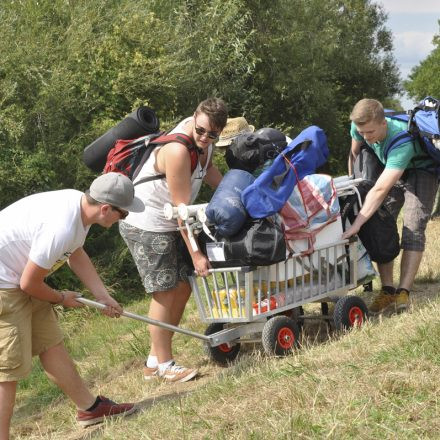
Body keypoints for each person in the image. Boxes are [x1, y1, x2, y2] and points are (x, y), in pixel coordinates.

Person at [0, 172, 144, 438]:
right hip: (5, 286)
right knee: (7, 371)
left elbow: (75, 252)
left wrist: (102, 295)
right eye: (122, 214)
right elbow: (28, 283)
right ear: (105, 208)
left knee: (50, 344)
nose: (123, 219)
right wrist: (61, 298)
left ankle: (89, 409)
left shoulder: (80, 208)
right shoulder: (62, 226)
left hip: (23, 277)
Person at [119, 97, 228, 383]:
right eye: (201, 130)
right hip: (148, 223)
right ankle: (165, 364)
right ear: (194, 117)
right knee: (165, 291)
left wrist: (235, 188)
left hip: (169, 222)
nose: (204, 137)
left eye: (212, 134)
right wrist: (196, 254)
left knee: (182, 287)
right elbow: (181, 211)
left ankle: (155, 360)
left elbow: (207, 172)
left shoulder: (205, 145)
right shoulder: (179, 150)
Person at [343, 98, 438, 314]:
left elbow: (380, 190)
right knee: (381, 225)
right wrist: (352, 182)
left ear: (384, 122)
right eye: (363, 132)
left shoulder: (401, 141)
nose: (367, 137)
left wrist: (357, 223)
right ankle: (387, 290)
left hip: (422, 170)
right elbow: (355, 155)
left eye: (371, 132)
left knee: (413, 228)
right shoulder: (359, 127)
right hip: (392, 166)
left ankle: (403, 292)